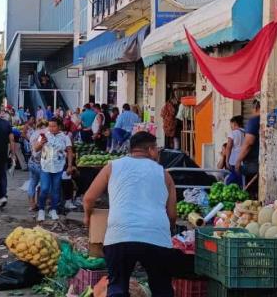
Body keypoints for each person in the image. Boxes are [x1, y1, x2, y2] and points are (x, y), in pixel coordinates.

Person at [83, 132, 180, 297]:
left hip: (120, 236)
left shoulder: (112, 166)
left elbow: (88, 198)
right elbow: (172, 214)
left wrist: (87, 217)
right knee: (162, 288)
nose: (158, 153)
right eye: (156, 149)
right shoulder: (164, 174)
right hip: (156, 236)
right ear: (150, 150)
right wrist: (167, 230)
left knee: (117, 287)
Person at [33, 118, 74, 222]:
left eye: (53, 126)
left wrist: (69, 166)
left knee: (55, 190)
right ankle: (41, 210)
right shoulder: (44, 135)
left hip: (58, 167)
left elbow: (69, 152)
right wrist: (41, 143)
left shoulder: (65, 138)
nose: (51, 128)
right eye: (49, 126)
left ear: (59, 126)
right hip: (45, 166)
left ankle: (53, 209)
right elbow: (36, 149)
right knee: (45, 188)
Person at [233, 99, 260, 197]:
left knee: (251, 198)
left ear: (255, 107)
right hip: (273, 168)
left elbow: (248, 143)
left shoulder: (254, 121)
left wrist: (238, 160)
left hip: (253, 167)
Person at [26, 121, 47, 211]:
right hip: (40, 163)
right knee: (43, 185)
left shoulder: (33, 134)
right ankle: (39, 203)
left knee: (32, 183)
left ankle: (32, 205)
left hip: (32, 161)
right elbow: (38, 148)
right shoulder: (43, 134)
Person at [220, 116, 246, 186]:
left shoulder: (233, 133)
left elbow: (228, 147)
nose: (231, 127)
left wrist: (227, 161)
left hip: (234, 161)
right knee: (241, 180)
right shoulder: (246, 132)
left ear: (234, 123)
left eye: (231, 124)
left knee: (230, 181)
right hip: (244, 160)